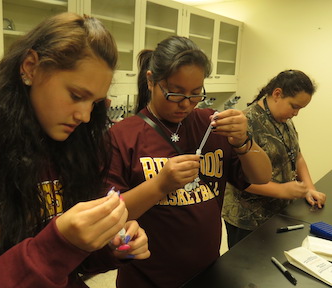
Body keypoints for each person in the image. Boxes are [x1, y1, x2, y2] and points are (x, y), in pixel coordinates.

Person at [0, 13, 150, 288]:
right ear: (31, 67)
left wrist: (107, 242)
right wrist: (59, 244)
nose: (84, 115)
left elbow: (70, 265)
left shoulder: (67, 143)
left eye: (94, 103)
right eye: (76, 96)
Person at [106, 35, 272, 288]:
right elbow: (109, 215)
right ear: (151, 80)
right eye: (175, 93)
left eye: (196, 94)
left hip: (207, 272)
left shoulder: (212, 125)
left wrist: (243, 140)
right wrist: (160, 185)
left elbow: (261, 177)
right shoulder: (123, 135)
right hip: (148, 278)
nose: (186, 104)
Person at [222, 69, 327, 248]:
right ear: (277, 94)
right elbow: (237, 179)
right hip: (248, 219)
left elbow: (297, 155)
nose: (296, 113)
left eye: (300, 108)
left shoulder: (284, 119)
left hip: (280, 213)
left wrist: (309, 189)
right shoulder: (245, 123)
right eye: (294, 106)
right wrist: (281, 190)